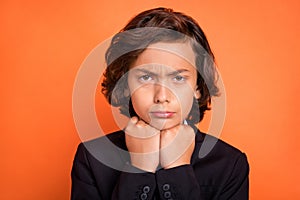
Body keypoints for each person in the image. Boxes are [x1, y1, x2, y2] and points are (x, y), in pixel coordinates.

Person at [71, 7, 249, 200]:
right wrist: (139, 167)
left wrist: (178, 168)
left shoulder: (230, 164)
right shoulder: (92, 158)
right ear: (125, 85)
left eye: (179, 78)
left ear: (197, 87)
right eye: (146, 77)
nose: (162, 96)